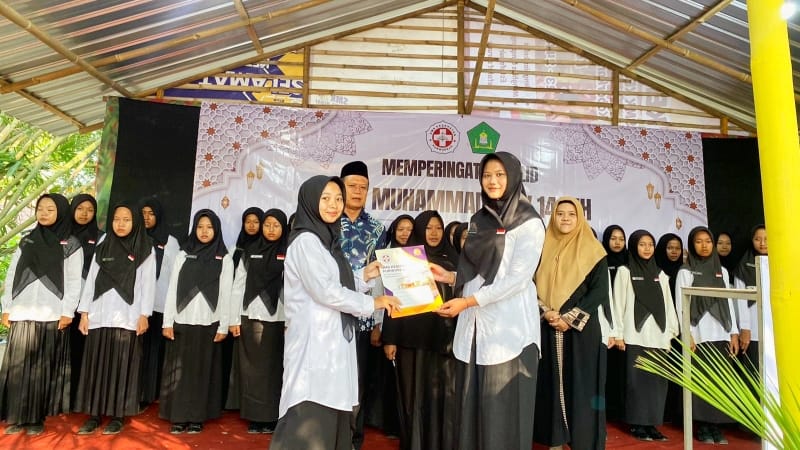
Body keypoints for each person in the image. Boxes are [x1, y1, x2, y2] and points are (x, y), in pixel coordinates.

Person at [270, 175, 399, 450]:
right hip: (314, 344)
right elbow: (326, 291)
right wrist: (373, 304)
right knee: (310, 418)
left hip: (332, 345)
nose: (333, 205)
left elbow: (338, 282)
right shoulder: (306, 242)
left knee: (332, 413)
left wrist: (365, 275)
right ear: (310, 202)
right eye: (325, 198)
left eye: (338, 198)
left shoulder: (328, 241)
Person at [432, 152, 544, 450]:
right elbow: (477, 270)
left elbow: (516, 279)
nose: (492, 181)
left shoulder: (529, 222)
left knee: (502, 415)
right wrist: (450, 277)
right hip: (473, 331)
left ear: (513, 177)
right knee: (470, 412)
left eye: (499, 174)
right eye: (487, 175)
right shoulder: (479, 220)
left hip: (509, 332)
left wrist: (467, 302)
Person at [0, 194, 82, 436]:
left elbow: (74, 281)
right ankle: (17, 416)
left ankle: (36, 418)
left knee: (41, 369)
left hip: (51, 314)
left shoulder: (71, 244)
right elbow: (12, 274)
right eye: (40, 208)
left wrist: (67, 311)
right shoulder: (27, 239)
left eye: (50, 209)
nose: (44, 213)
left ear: (61, 212)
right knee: (19, 367)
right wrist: (7, 307)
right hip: (22, 311)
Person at [533, 196, 609, 450]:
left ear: (580, 218)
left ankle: (583, 441)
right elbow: (529, 284)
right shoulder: (542, 247)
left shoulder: (594, 250)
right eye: (560, 213)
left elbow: (599, 291)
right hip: (547, 327)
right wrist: (546, 312)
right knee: (550, 384)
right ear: (553, 217)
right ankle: (554, 438)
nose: (565, 218)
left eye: (571, 214)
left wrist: (569, 318)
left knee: (582, 386)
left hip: (582, 332)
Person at [75, 202, 155, 435]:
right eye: (117, 219)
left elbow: (148, 284)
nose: (120, 224)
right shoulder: (103, 244)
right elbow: (92, 279)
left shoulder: (145, 248)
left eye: (126, 220)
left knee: (122, 367)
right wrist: (84, 313)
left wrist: (144, 315)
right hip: (99, 315)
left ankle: (118, 415)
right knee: (96, 366)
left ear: (135, 223)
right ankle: (94, 415)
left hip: (127, 317)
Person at [382, 210, 457, 450]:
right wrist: (390, 339)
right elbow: (393, 301)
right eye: (428, 228)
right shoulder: (406, 260)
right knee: (411, 397)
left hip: (442, 342)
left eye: (438, 228)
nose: (434, 233)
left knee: (438, 398)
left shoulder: (453, 261)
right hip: (410, 340)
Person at [159, 209, 232, 434]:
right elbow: (172, 288)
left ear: (216, 230)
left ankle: (197, 418)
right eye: (200, 227)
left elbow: (227, 294)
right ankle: (179, 417)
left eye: (209, 227)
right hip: (182, 321)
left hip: (209, 323)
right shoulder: (183, 254)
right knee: (180, 372)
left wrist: (223, 325)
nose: (204, 231)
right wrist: (167, 322)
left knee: (202, 372)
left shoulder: (225, 258)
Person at [337, 160, 387, 450]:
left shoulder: (378, 229)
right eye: (352, 186)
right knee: (330, 378)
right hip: (330, 315)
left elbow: (381, 278)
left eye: (363, 187)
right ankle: (331, 436)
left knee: (357, 382)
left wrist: (379, 320)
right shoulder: (328, 222)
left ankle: (353, 440)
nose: (357, 191)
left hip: (363, 320)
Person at [675, 226, 739, 445]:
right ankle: (702, 426)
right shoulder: (686, 271)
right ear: (692, 245)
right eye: (699, 241)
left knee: (720, 380)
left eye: (708, 241)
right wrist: (687, 334)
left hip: (721, 333)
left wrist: (733, 333)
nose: (704, 246)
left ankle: (716, 426)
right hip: (698, 335)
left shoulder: (723, 271)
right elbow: (681, 305)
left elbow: (729, 302)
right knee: (701, 381)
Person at [612, 230, 679, 442]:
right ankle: (637, 424)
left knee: (656, 384)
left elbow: (668, 305)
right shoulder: (625, 271)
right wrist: (618, 333)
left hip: (658, 337)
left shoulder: (661, 274)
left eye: (650, 244)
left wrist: (670, 333)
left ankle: (652, 424)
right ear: (634, 246)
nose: (647, 248)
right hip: (634, 336)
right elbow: (618, 303)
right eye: (642, 244)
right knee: (636, 383)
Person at [229, 208, 288, 434]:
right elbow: (238, 285)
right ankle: (254, 417)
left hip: (279, 319)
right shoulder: (250, 250)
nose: (271, 229)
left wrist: (291, 320)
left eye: (276, 225)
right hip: (251, 316)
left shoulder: (290, 251)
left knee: (274, 370)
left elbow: (293, 288)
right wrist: (234, 319)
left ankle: (272, 416)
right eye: (267, 225)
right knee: (252, 369)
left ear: (283, 228)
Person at [138, 196, 180, 407]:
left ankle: (148, 394)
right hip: (135, 306)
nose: (146, 218)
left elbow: (175, 276)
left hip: (159, 303)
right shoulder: (134, 237)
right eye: (143, 214)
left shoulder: (170, 242)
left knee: (153, 351)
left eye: (151, 214)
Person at [68, 193, 101, 408]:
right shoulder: (62, 234)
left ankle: (77, 396)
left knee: (80, 348)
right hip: (61, 300)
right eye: (80, 208)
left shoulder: (101, 237)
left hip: (87, 302)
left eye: (89, 210)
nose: (84, 214)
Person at [654, 232, 685, 424]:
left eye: (677, 248)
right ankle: (663, 411)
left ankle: (678, 411)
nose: (674, 252)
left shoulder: (685, 271)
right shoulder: (656, 271)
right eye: (670, 248)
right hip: (662, 327)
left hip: (683, 328)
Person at [602, 225, 628, 422]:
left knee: (622, 372)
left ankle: (620, 411)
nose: (617, 242)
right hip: (605, 321)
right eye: (613, 238)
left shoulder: (629, 263)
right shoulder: (601, 260)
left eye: (621, 239)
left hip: (623, 324)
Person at [733, 225, 767, 371]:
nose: (762, 243)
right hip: (753, 332)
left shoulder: (781, 264)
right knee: (754, 371)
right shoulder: (743, 267)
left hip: (777, 332)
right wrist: (745, 328)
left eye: (767, 239)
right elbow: (740, 300)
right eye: (757, 239)